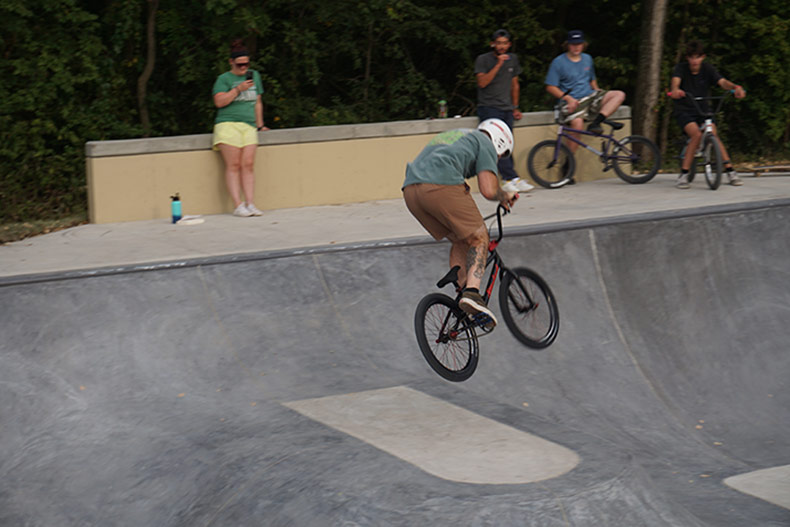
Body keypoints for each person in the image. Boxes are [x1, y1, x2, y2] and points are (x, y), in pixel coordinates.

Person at [402, 118, 518, 329]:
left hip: (411, 191)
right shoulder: (485, 143)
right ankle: (472, 293)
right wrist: (505, 194)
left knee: (459, 238)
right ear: (500, 142)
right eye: (499, 157)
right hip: (439, 184)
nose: (496, 160)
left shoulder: (459, 135)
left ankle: (463, 292)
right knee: (479, 237)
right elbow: (489, 190)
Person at [544, 29, 626, 175]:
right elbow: (550, 86)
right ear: (567, 45)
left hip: (589, 96)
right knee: (578, 124)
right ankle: (568, 165)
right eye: (573, 44)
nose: (576, 47)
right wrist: (567, 98)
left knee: (619, 94)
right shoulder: (558, 62)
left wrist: (597, 90)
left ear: (583, 45)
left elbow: (591, 78)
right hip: (570, 100)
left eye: (579, 44)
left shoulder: (588, 59)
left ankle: (597, 122)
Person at [669, 40, 745, 189]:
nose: (694, 60)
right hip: (685, 110)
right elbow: (675, 84)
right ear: (687, 58)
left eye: (697, 57)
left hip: (703, 110)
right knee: (696, 135)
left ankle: (731, 172)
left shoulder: (707, 69)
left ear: (702, 57)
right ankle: (683, 175)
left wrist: (735, 87)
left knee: (714, 135)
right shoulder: (681, 69)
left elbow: (722, 82)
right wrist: (676, 91)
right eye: (691, 57)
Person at [212, 39, 270, 217]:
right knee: (234, 164)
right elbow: (219, 102)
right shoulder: (224, 79)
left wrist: (260, 125)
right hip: (227, 124)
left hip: (249, 125)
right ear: (231, 62)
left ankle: (250, 203)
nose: (244, 68)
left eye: (247, 64)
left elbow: (257, 101)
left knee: (248, 164)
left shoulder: (254, 76)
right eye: (240, 64)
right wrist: (238, 90)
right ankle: (238, 205)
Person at [474, 29, 534, 193]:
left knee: (507, 143)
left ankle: (511, 178)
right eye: (498, 43)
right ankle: (509, 178)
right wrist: (499, 64)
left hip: (507, 108)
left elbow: (515, 84)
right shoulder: (483, 59)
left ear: (509, 44)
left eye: (504, 43)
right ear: (493, 44)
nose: (501, 46)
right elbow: (482, 83)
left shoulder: (513, 59)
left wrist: (515, 107)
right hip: (489, 108)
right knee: (496, 145)